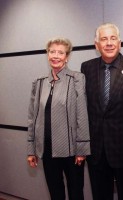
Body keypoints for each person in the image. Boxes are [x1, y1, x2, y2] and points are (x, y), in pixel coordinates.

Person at [81, 23, 123, 200]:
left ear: (120, 43)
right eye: (104, 39)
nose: (109, 43)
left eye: (113, 38)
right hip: (96, 150)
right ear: (96, 45)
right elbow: (84, 110)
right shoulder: (87, 68)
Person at [27, 37, 90, 200]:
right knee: (55, 193)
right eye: (52, 51)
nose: (55, 55)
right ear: (47, 54)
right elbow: (32, 118)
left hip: (71, 151)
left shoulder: (77, 79)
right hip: (47, 150)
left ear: (67, 57)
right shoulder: (39, 82)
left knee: (76, 193)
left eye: (60, 52)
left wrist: (82, 150)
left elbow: (82, 115)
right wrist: (31, 149)